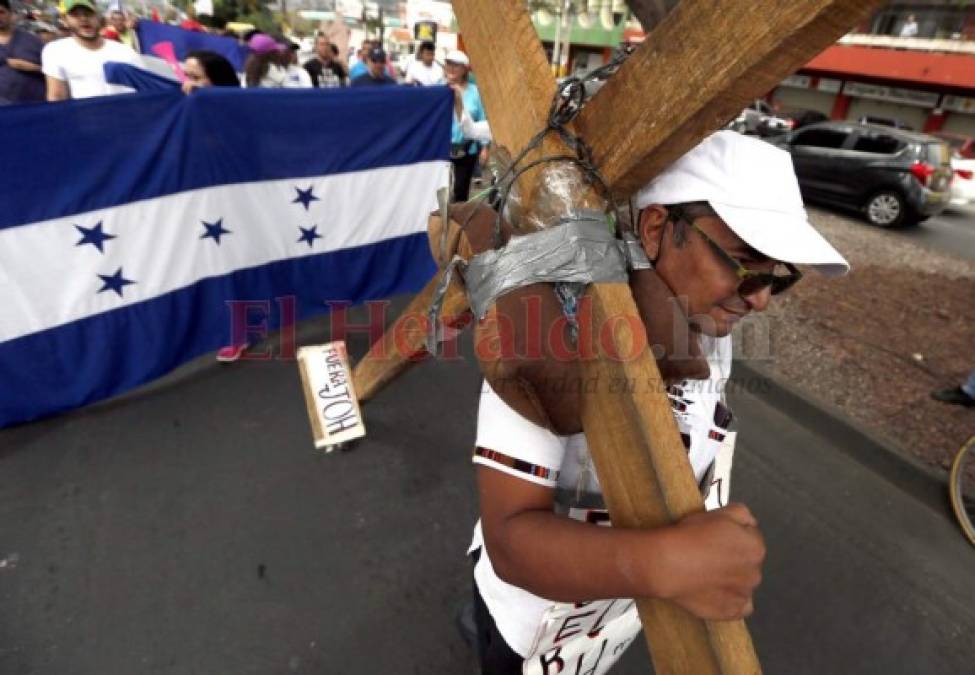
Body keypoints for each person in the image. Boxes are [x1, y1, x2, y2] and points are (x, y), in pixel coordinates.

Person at [467, 131, 850, 673]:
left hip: (612, 616)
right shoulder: (552, 334)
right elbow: (510, 538)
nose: (761, 298)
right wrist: (664, 563)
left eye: (778, 277)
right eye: (744, 263)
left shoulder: (708, 329)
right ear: (656, 229)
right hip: (530, 619)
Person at [41, 0, 139, 101]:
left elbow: (143, 89)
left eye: (88, 13)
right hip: (84, 115)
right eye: (75, 15)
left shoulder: (125, 52)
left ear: (98, 17)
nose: (83, 19)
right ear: (65, 20)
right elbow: (56, 97)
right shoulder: (56, 51)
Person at [444, 49, 484, 202]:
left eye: (456, 65)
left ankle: (457, 224)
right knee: (441, 191)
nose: (452, 68)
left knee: (461, 192)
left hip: (467, 149)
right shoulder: (440, 89)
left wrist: (485, 147)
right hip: (443, 148)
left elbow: (481, 119)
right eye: (449, 64)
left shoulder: (475, 92)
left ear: (465, 69)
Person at [0, 0, 45, 104]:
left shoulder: (32, 41)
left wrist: (33, 68)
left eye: (1, 12)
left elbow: (53, 72)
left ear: (10, 14)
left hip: (35, 105)